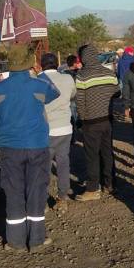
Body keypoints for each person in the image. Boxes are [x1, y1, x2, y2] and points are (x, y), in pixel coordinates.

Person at [0, 46, 59, 252]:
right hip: (37, 146)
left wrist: (2, 139)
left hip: (9, 148)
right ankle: (36, 240)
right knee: (37, 191)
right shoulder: (39, 85)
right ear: (30, 63)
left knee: (13, 192)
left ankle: (15, 242)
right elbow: (54, 92)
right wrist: (38, 72)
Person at [74, 44, 119, 201]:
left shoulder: (82, 75)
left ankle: (93, 188)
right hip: (107, 120)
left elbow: (79, 101)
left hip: (91, 122)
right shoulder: (109, 73)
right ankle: (110, 184)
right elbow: (117, 93)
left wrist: (82, 119)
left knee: (92, 156)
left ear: (84, 58)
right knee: (107, 153)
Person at [39, 53, 77, 204]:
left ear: (41, 65)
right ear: (57, 64)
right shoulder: (68, 78)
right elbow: (73, 95)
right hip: (65, 127)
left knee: (44, 166)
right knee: (63, 162)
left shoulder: (37, 81)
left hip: (45, 129)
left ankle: (43, 198)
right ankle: (63, 195)